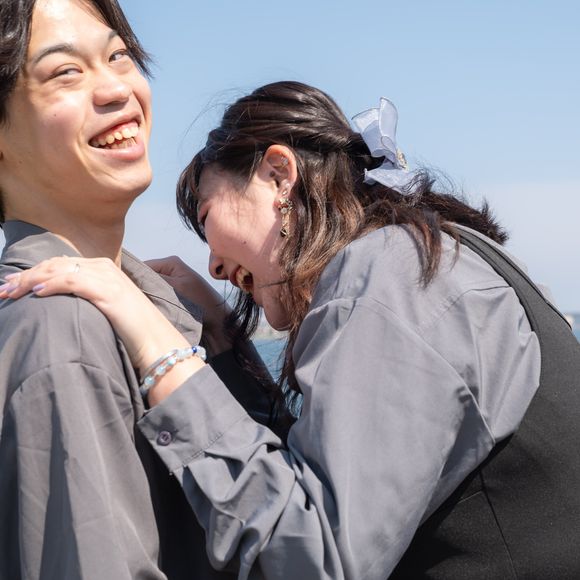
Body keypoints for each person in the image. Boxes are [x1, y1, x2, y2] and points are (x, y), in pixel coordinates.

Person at [4, 81, 580, 579]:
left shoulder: (388, 276)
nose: (213, 265)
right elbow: (318, 471)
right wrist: (223, 341)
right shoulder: (431, 255)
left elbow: (316, 557)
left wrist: (158, 345)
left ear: (280, 176)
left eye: (206, 217)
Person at [0, 1, 279, 578]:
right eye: (65, 72)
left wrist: (220, 338)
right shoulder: (64, 329)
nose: (115, 89)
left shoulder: (142, 307)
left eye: (118, 56)